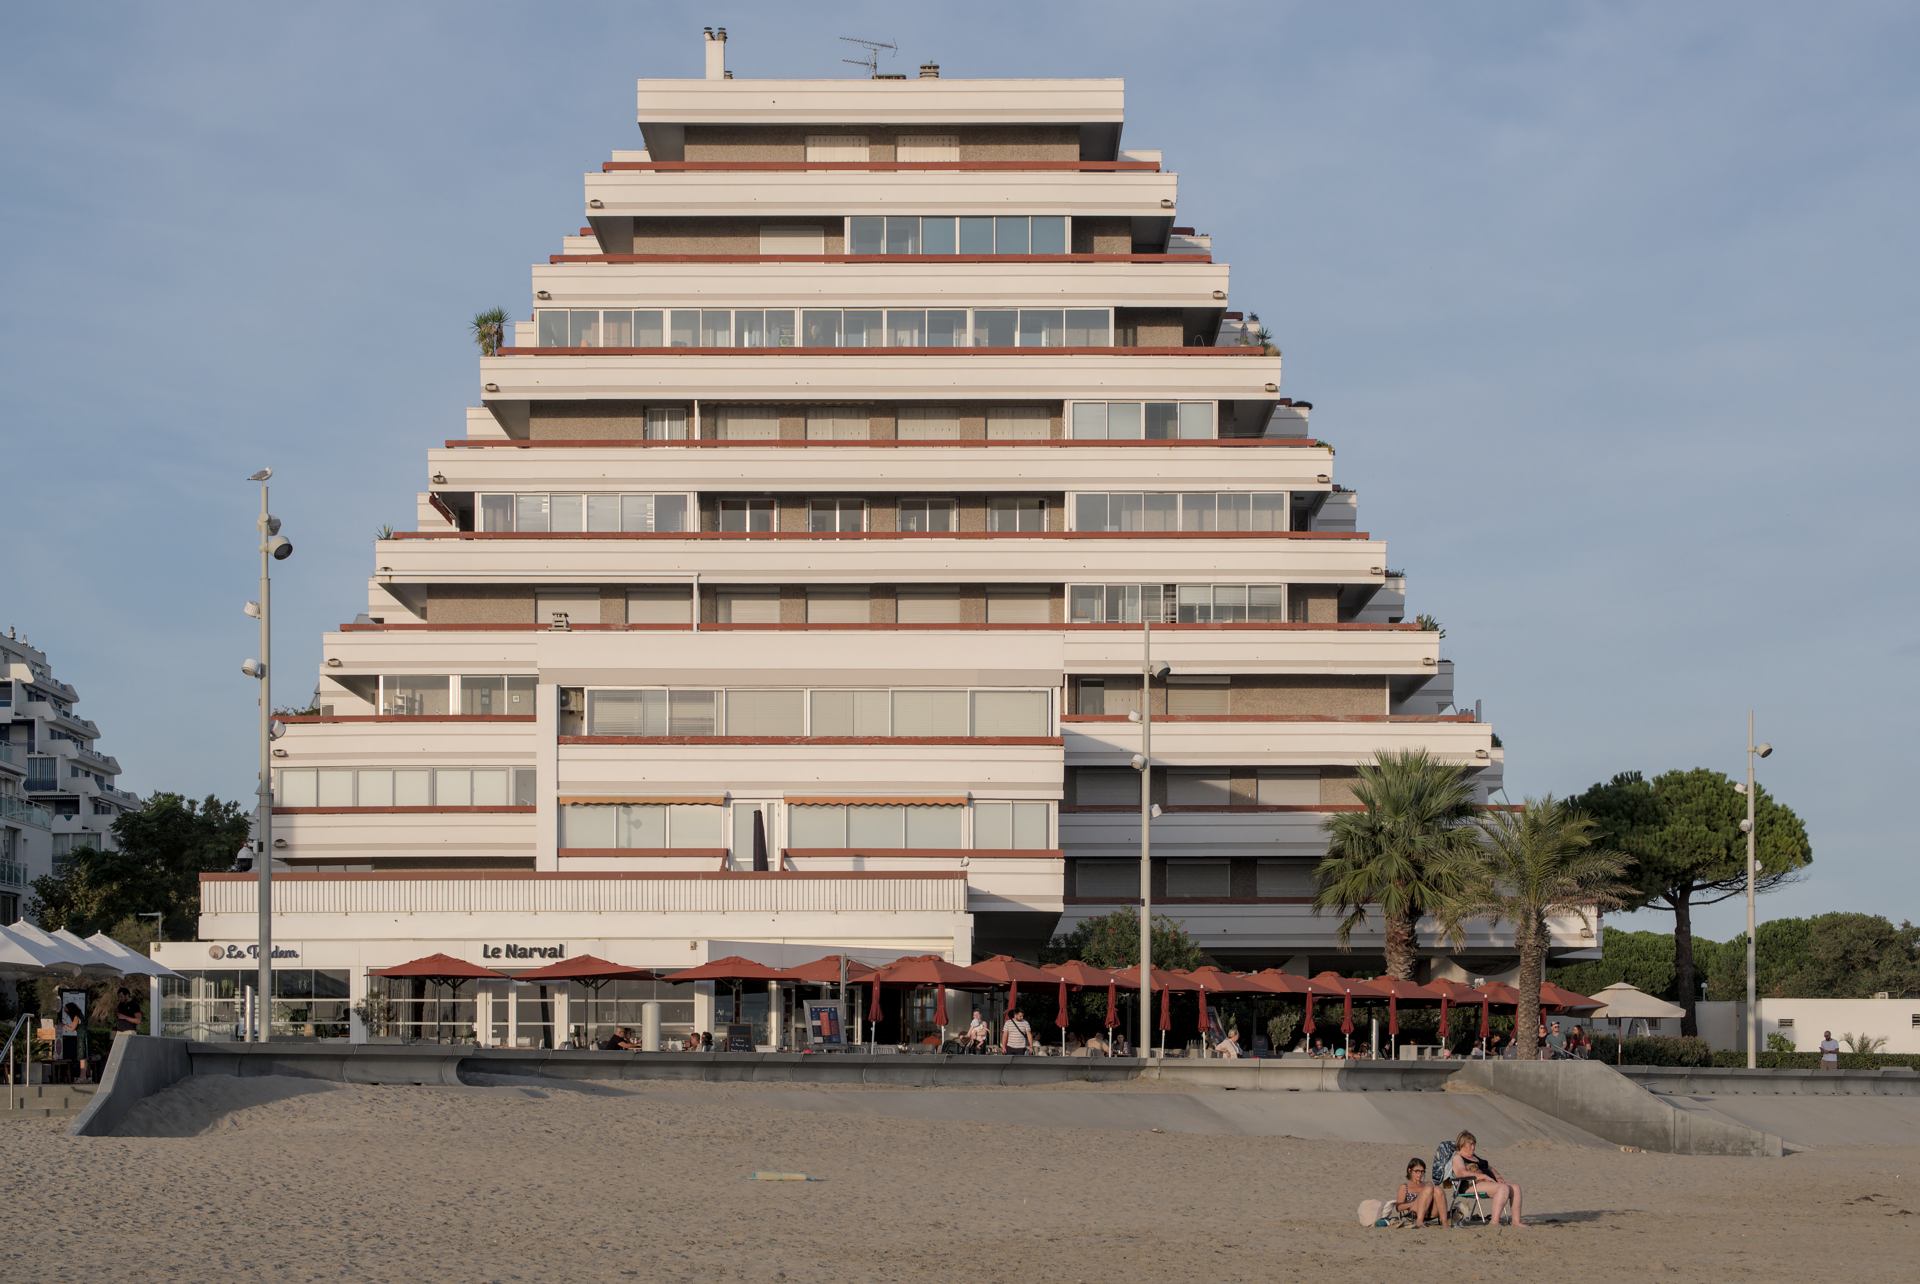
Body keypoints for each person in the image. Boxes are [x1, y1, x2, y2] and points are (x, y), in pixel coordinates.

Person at [1451, 1130, 1523, 1228]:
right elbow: (1461, 1173)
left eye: (1474, 1144)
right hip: (1471, 1185)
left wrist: (1498, 1177)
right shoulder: (1458, 1157)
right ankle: (1494, 1222)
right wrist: (1483, 1176)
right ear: (1462, 1144)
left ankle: (1516, 1222)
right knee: (1502, 1188)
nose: (1473, 1147)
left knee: (1515, 1188)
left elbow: (1490, 1168)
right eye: (1471, 1144)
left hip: (1486, 1183)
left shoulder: (1474, 1157)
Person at [1394, 1157, 1449, 1228]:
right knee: (1429, 1188)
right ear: (1410, 1170)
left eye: (1422, 1171)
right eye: (1417, 1171)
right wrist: (1416, 1202)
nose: (1420, 1174)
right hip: (1414, 1212)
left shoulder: (1426, 1184)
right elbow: (1398, 1208)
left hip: (1430, 1212)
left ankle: (1444, 1222)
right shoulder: (1405, 1187)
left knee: (1438, 1189)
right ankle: (1419, 1221)